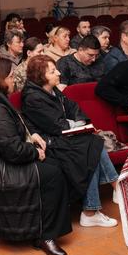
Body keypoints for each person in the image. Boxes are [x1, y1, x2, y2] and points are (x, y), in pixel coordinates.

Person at [0, 57, 72, 255]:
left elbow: (13, 127)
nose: (15, 80)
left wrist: (31, 134)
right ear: (0, 79)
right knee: (53, 174)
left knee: (55, 163)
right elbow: (12, 150)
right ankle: (46, 235)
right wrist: (34, 152)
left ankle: (43, 226)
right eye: (11, 77)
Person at [22, 55, 118, 228]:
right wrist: (78, 124)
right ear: (41, 76)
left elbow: (73, 107)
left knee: (92, 143)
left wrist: (79, 122)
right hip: (49, 142)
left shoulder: (52, 90)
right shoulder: (32, 97)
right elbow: (56, 125)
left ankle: (94, 208)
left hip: (63, 137)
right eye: (53, 71)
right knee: (91, 145)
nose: (59, 73)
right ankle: (112, 191)